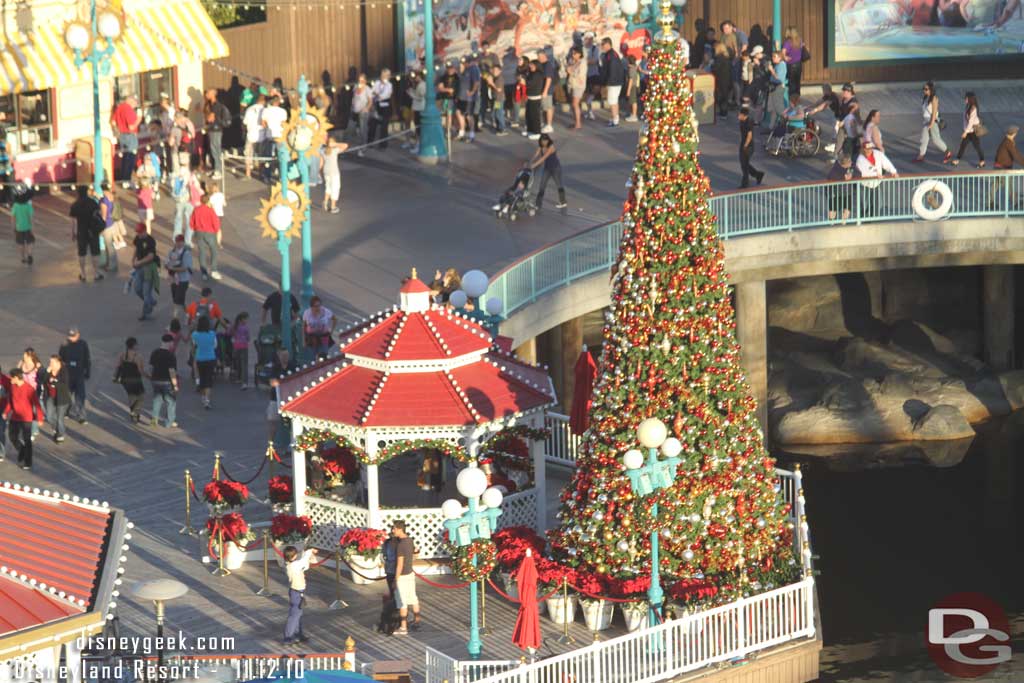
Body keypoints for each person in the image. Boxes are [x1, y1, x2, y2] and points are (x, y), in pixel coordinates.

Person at [4, 369, 43, 470]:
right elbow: (10, 401)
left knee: (27, 439)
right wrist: (6, 412)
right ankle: (22, 450)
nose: (10, 379)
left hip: (26, 418)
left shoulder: (29, 389)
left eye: (12, 377)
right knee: (12, 436)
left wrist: (40, 418)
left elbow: (36, 404)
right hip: (15, 416)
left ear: (16, 377)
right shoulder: (13, 387)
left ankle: (28, 462)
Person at [283, 545, 318, 644]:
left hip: (296, 592)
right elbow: (304, 560)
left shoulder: (290, 565)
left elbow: (303, 564)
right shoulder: (295, 565)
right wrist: (310, 551)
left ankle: (298, 634)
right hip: (297, 593)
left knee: (297, 614)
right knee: (294, 615)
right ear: (293, 556)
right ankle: (288, 637)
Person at [69, 186, 104, 283]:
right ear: (87, 192)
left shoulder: (75, 205)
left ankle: (83, 274)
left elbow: (73, 221)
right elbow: (98, 214)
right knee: (95, 253)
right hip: (93, 231)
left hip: (81, 232)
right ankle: (96, 273)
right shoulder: (93, 203)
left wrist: (73, 233)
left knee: (82, 253)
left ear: (78, 193)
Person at [855, 140, 898, 216]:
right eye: (867, 149)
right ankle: (863, 217)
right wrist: (875, 175)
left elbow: (886, 162)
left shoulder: (878, 154)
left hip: (876, 183)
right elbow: (863, 173)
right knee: (864, 203)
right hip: (865, 184)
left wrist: (893, 171)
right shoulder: (860, 159)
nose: (870, 150)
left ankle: (873, 217)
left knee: (877, 202)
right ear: (863, 149)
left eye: (871, 148)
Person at [391, 520, 420, 635]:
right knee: (413, 598)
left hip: (403, 576)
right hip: (410, 573)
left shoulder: (401, 545)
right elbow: (415, 554)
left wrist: (395, 579)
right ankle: (417, 622)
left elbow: (400, 564)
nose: (393, 531)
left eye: (394, 528)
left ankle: (403, 628)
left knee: (402, 602)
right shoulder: (410, 541)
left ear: (399, 529)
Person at [527, 134, 567, 210]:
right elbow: (536, 154)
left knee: (559, 185)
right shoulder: (541, 146)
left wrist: (534, 165)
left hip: (555, 168)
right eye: (542, 141)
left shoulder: (551, 147)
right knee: (542, 185)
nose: (544, 143)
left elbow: (543, 158)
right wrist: (530, 162)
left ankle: (563, 202)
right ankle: (538, 204)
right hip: (547, 169)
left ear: (548, 140)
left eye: (545, 141)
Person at [59, 328, 90, 424]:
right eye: (70, 336)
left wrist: (87, 371)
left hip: (79, 373)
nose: (71, 338)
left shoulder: (83, 344)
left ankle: (81, 416)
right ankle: (66, 412)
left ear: (78, 335)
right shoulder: (64, 345)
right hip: (68, 374)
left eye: (73, 336)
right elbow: (60, 359)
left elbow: (87, 358)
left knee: (80, 396)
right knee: (67, 394)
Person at [149, 334, 179, 428]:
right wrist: (175, 385)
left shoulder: (155, 352)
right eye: (172, 343)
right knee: (170, 401)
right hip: (166, 381)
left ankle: (154, 421)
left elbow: (151, 367)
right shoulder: (171, 355)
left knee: (157, 400)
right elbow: (172, 371)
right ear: (170, 343)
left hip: (155, 380)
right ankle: (169, 422)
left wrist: (152, 377)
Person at [190, 193, 223, 281]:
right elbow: (216, 224)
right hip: (210, 233)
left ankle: (204, 273)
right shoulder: (210, 210)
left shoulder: (196, 210)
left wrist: (195, 229)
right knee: (214, 251)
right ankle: (214, 270)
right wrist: (217, 231)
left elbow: (191, 222)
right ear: (208, 201)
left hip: (199, 232)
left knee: (202, 253)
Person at [990, 126, 1024, 208]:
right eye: (1016, 132)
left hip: (1000, 166)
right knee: (1008, 185)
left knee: (996, 185)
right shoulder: (1008, 142)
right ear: (1014, 133)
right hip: (1003, 167)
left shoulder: (1008, 141)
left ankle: (990, 202)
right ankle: (1016, 203)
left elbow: (1016, 153)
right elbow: (1016, 155)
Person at [114, 337, 146, 423]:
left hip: (125, 380)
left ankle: (133, 413)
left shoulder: (123, 354)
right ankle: (135, 413)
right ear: (134, 345)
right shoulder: (138, 356)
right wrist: (149, 376)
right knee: (141, 396)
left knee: (131, 396)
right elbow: (141, 371)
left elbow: (118, 366)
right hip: (136, 380)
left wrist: (115, 377)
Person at [132, 223, 159, 321]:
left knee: (146, 292)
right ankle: (151, 301)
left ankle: (145, 312)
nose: (138, 234)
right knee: (137, 288)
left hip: (149, 268)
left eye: (140, 232)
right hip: (139, 268)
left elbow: (150, 257)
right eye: (137, 232)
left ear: (144, 231)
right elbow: (136, 249)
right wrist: (133, 259)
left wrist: (139, 262)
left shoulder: (150, 240)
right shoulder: (137, 238)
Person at [111, 95, 140, 186]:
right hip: (130, 135)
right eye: (135, 103)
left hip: (122, 135)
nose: (136, 105)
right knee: (130, 157)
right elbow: (131, 126)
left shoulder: (119, 107)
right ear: (131, 101)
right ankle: (127, 180)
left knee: (125, 158)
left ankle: (123, 178)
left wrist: (117, 132)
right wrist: (139, 119)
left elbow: (113, 122)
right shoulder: (128, 109)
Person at [41, 355, 70, 443]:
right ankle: (56, 429)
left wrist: (54, 383)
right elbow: (43, 380)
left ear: (58, 362)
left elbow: (64, 384)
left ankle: (61, 434)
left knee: (59, 418)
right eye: (50, 362)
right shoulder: (49, 370)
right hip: (51, 396)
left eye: (52, 362)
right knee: (49, 416)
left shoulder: (63, 371)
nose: (50, 364)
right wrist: (47, 372)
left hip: (62, 398)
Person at [952, 91, 985, 168]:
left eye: (966, 98)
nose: (965, 99)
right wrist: (965, 130)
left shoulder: (973, 108)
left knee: (977, 147)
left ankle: (982, 161)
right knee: (962, 145)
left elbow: (971, 122)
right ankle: (957, 160)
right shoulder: (968, 106)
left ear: (970, 99)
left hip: (973, 131)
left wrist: (965, 132)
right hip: (968, 130)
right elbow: (965, 120)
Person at [204, 89, 231, 179]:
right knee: (213, 150)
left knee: (215, 150)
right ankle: (214, 168)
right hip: (212, 129)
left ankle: (218, 170)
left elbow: (210, 118)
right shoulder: (209, 105)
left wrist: (207, 116)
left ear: (213, 94)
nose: (206, 94)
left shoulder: (216, 105)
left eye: (208, 93)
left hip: (216, 129)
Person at [98, 183, 126, 272]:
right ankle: (108, 263)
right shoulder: (112, 197)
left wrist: (100, 225)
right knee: (109, 245)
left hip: (106, 225)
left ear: (102, 189)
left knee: (109, 246)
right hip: (112, 223)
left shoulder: (104, 200)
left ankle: (112, 265)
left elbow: (103, 215)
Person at [192, 316, 218, 410]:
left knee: (202, 378)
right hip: (211, 358)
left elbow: (194, 345)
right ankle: (207, 400)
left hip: (200, 359)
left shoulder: (195, 334)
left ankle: (203, 396)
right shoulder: (212, 334)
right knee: (209, 379)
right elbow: (215, 345)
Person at [166, 234, 194, 320]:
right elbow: (167, 262)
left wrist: (172, 268)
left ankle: (174, 322)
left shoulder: (187, 253)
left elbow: (185, 268)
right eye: (177, 241)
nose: (178, 243)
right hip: (174, 280)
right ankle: (190, 316)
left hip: (183, 280)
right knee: (179, 300)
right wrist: (167, 267)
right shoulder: (172, 252)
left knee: (177, 302)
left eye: (180, 241)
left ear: (183, 242)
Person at [599, 38, 625, 127]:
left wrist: (608, 82)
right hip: (617, 81)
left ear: (607, 44)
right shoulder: (611, 54)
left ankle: (615, 121)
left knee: (612, 101)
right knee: (614, 100)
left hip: (614, 82)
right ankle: (615, 118)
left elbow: (612, 70)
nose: (602, 47)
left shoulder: (611, 55)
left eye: (603, 44)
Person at [368, 69, 394, 150]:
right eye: (382, 75)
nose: (383, 77)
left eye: (385, 76)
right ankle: (370, 142)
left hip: (385, 107)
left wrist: (376, 94)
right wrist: (376, 94)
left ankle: (383, 145)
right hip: (377, 105)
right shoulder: (377, 83)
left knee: (384, 127)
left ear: (388, 77)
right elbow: (371, 92)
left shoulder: (389, 85)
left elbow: (384, 96)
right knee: (372, 124)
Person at [738, 108, 764, 188]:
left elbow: (749, 136)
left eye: (739, 114)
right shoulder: (742, 121)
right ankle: (758, 174)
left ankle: (745, 183)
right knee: (744, 164)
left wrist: (745, 146)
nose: (738, 116)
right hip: (743, 144)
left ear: (743, 115)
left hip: (748, 146)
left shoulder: (748, 123)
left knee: (744, 165)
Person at [321, 135, 348, 214]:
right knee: (335, 189)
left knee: (328, 187)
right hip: (334, 172)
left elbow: (321, 162)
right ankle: (333, 207)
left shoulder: (322, 150)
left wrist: (319, 172)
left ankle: (325, 201)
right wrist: (335, 144)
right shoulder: (335, 150)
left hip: (326, 171)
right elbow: (345, 145)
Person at [243, 93, 267, 178]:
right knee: (261, 155)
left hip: (251, 135)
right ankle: (261, 173)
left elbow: (245, 122)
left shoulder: (249, 109)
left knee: (248, 154)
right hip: (261, 136)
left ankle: (248, 173)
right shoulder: (265, 110)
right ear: (264, 101)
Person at [827, 155, 855, 223]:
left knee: (847, 208)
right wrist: (843, 177)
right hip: (835, 193)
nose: (851, 163)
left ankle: (843, 223)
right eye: (849, 162)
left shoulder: (851, 166)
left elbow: (858, 173)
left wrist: (852, 176)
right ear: (845, 164)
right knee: (833, 209)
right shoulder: (835, 168)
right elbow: (831, 177)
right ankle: (832, 224)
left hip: (847, 192)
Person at [764, 51, 788, 131]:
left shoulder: (782, 65)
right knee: (773, 108)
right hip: (773, 87)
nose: (773, 58)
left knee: (778, 108)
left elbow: (779, 79)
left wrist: (772, 70)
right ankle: (771, 126)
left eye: (774, 56)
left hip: (778, 88)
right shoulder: (777, 65)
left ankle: (786, 124)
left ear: (780, 58)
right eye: (772, 56)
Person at [11, 185, 34, 265]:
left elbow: (13, 218)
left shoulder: (15, 206)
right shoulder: (28, 206)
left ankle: (23, 258)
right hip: (27, 228)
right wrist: (32, 229)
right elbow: (31, 219)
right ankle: (30, 254)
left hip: (19, 228)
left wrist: (13, 228)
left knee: (20, 244)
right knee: (30, 242)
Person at [482, 64, 507, 136]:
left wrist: (491, 83)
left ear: (500, 71)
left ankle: (503, 129)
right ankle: (498, 127)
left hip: (499, 99)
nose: (494, 71)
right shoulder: (495, 77)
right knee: (495, 113)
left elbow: (498, 89)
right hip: (495, 98)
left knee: (499, 113)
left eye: (496, 70)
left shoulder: (500, 78)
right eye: (493, 70)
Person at [351, 74, 372, 157]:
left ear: (365, 81)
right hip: (355, 111)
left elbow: (370, 101)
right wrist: (352, 106)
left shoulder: (367, 89)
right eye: (359, 80)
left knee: (363, 129)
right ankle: (360, 144)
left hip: (363, 112)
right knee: (358, 130)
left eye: (362, 81)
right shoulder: (356, 87)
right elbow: (354, 98)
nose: (360, 82)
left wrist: (366, 108)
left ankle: (363, 148)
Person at [229, 312, 252, 388]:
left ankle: (238, 378)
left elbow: (229, 333)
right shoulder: (245, 327)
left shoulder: (234, 326)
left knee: (238, 362)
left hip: (236, 347)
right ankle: (244, 382)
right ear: (242, 319)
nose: (246, 321)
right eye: (246, 319)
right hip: (244, 346)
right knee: (244, 364)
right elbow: (248, 338)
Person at [567, 47, 587, 129]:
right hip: (571, 84)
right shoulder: (572, 61)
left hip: (578, 85)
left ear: (579, 54)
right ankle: (576, 121)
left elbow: (580, 75)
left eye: (575, 53)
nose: (573, 55)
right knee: (574, 104)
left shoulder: (582, 62)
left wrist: (571, 72)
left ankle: (578, 123)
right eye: (572, 53)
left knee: (575, 104)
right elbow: (568, 68)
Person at [524, 59, 545, 140]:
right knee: (528, 115)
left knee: (535, 115)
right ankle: (530, 130)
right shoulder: (531, 73)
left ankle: (537, 132)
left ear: (536, 65)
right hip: (529, 97)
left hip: (535, 97)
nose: (530, 66)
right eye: (530, 64)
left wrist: (524, 82)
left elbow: (530, 84)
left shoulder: (538, 74)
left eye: (532, 65)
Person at [711, 43, 733, 119]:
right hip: (727, 79)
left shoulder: (719, 58)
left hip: (721, 79)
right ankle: (723, 112)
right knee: (724, 96)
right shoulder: (726, 57)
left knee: (722, 96)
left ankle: (723, 113)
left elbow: (716, 69)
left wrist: (712, 65)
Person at [781, 27, 804, 98]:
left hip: (791, 65)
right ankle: (797, 98)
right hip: (799, 64)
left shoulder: (788, 42)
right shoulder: (799, 40)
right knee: (797, 82)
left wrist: (785, 57)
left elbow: (783, 52)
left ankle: (791, 99)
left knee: (791, 83)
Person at [583, 32, 601, 120]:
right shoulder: (582, 49)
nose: (589, 40)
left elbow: (595, 61)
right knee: (586, 93)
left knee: (594, 91)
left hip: (594, 74)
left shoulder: (595, 49)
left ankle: (589, 107)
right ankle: (589, 111)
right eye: (588, 38)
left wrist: (584, 62)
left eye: (591, 39)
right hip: (584, 75)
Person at [538, 49, 556, 134]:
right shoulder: (542, 64)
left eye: (540, 56)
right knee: (544, 107)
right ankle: (545, 124)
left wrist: (545, 91)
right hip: (543, 90)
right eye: (538, 56)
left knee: (548, 107)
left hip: (547, 91)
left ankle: (549, 125)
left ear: (544, 56)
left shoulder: (547, 65)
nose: (538, 58)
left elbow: (549, 79)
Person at [382, 530, 399, 602]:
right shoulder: (386, 543)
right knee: (391, 588)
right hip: (389, 568)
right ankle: (393, 601)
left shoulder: (401, 543)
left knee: (398, 588)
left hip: (398, 568)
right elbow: (383, 554)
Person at [624, 54, 641, 123]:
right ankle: (632, 114)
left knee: (633, 101)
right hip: (635, 86)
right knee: (632, 101)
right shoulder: (635, 67)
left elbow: (631, 80)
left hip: (632, 87)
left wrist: (628, 90)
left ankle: (634, 115)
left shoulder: (631, 69)